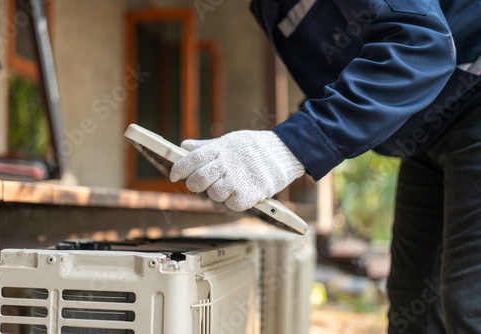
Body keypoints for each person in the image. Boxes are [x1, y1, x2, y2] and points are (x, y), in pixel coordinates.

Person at [170, 0, 481, 332]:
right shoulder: (269, 7)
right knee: (413, 308)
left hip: (472, 101)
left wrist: (290, 145)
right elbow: (344, 70)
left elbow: (423, 44)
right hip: (424, 131)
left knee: (469, 307)